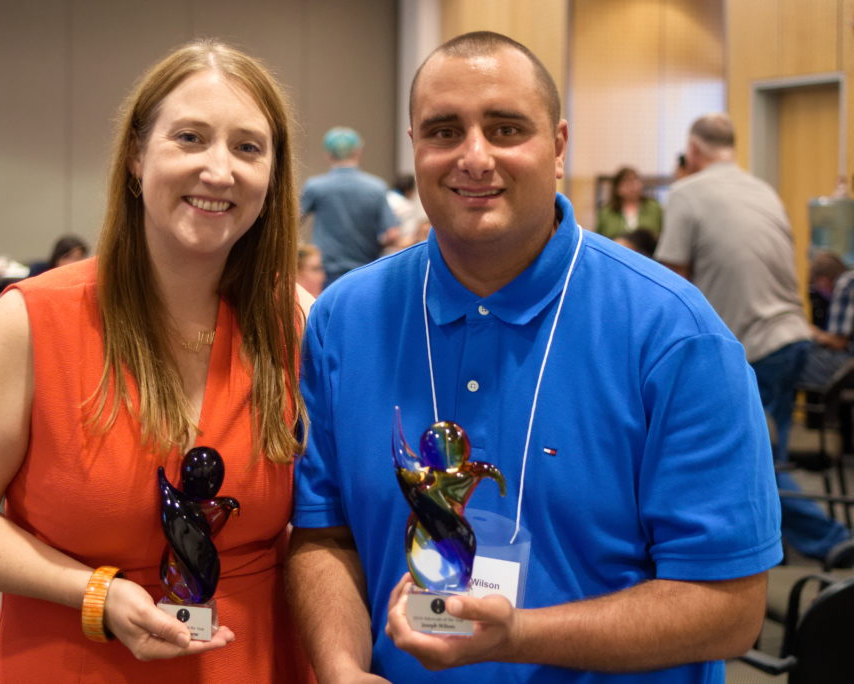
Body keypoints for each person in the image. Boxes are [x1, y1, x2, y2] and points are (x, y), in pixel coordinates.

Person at [289, 31, 780, 683]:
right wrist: (342, 668)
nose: (474, 156)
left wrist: (515, 636)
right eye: (443, 131)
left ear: (559, 146)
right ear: (414, 148)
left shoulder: (675, 335)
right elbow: (325, 537)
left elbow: (728, 609)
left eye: (505, 128)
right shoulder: (344, 321)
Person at [0, 39, 313, 683]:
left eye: (248, 147)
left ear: (272, 177)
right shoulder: (34, 321)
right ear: (138, 159)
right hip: (77, 659)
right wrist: (94, 592)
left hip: (257, 660)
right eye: (191, 138)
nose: (220, 170)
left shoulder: (296, 321)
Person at [656, 113, 849, 560]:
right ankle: (767, 542)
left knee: (749, 460)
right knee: (768, 455)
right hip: (793, 337)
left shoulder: (687, 192)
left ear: (695, 151)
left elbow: (668, 285)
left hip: (753, 345)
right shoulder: (764, 190)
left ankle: (827, 539)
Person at [301, 126, 399, 285]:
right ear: (358, 152)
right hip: (365, 270)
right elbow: (393, 234)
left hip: (326, 273)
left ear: (328, 155)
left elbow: (292, 221)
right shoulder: (376, 188)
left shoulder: (315, 187)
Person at [594, 166, 662, 240]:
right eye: (628, 182)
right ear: (617, 188)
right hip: (615, 250)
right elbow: (599, 239)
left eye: (636, 180)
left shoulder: (654, 207)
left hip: (647, 251)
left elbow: (662, 235)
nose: (634, 186)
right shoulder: (606, 212)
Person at [384, 174, 430, 253]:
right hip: (395, 252)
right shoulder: (406, 206)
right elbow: (407, 238)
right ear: (410, 189)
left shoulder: (386, 198)